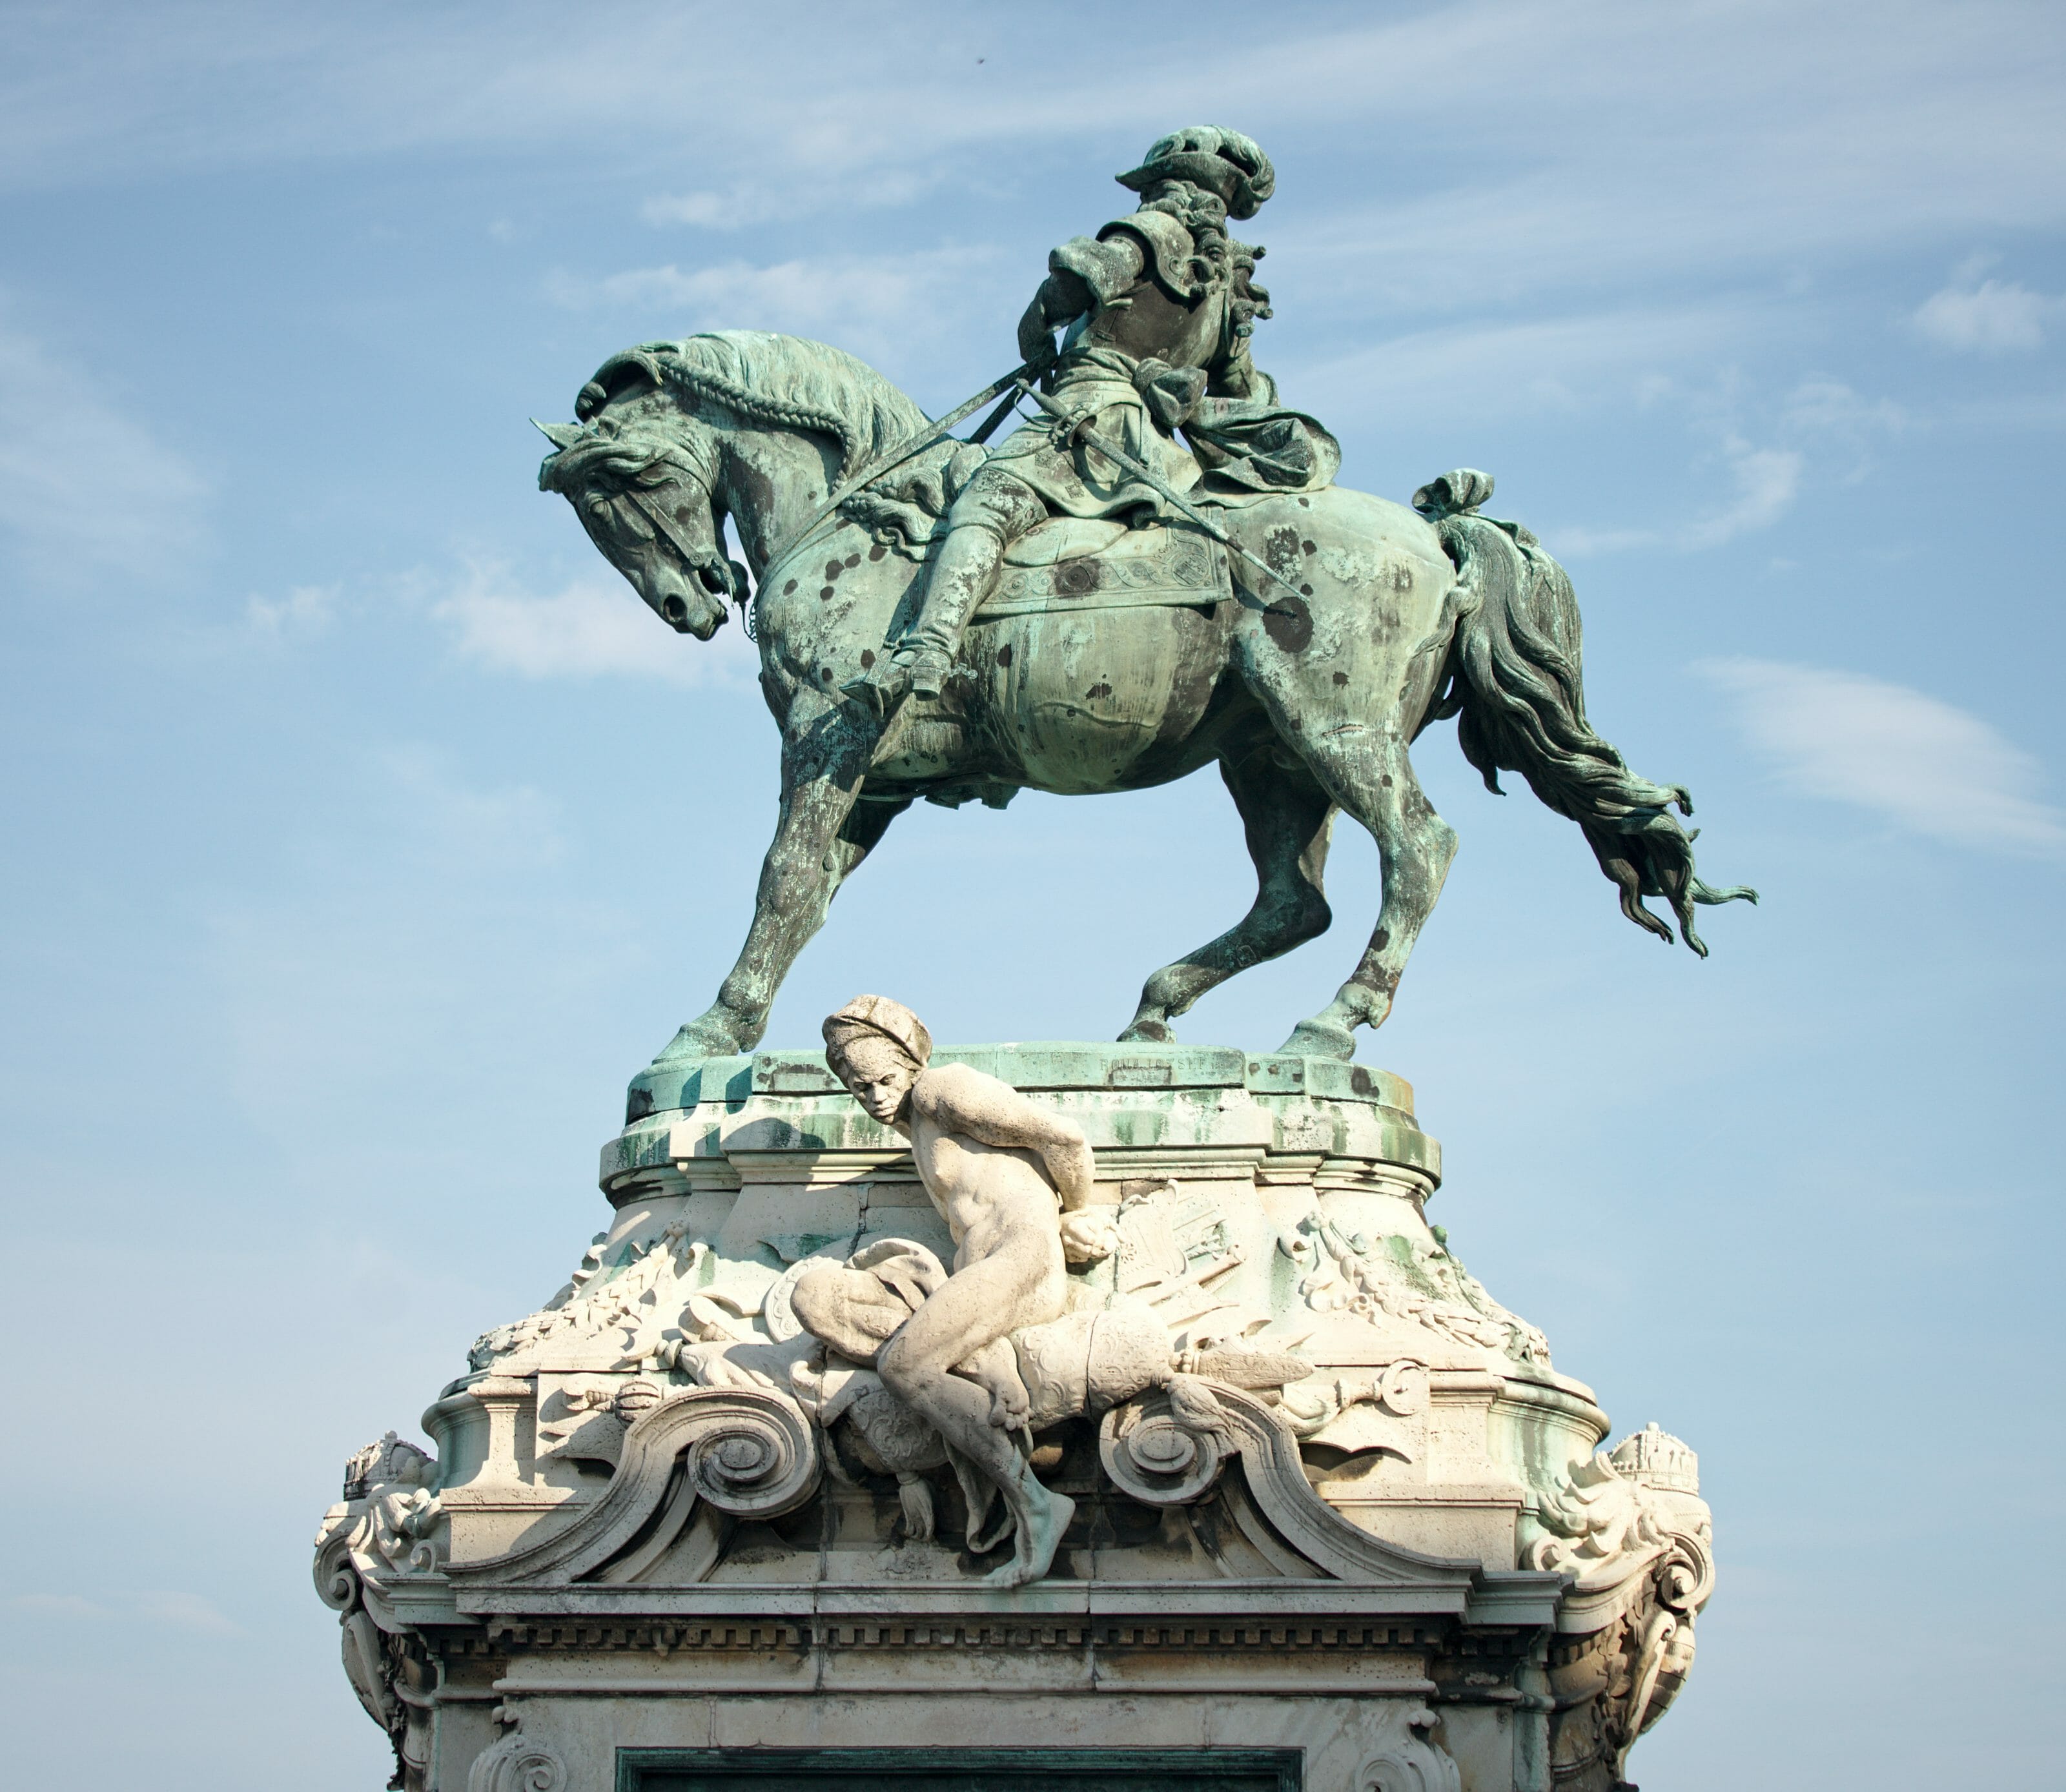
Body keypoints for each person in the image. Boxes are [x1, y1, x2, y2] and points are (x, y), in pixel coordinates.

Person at [841, 125, 1338, 721]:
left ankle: (924, 653)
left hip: (1087, 423)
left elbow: (1081, 281)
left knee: (987, 502)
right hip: (1156, 449)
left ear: (1167, 186)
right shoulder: (1229, 290)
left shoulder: (1152, 233)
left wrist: (1039, 319)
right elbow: (1241, 389)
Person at [794, 994, 1110, 1586]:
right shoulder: (916, 1128)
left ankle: (1036, 1506)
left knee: (905, 1367)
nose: (876, 1097)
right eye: (861, 1090)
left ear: (909, 1065)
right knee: (818, 1298)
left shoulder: (944, 1090)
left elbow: (1064, 1139)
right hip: (977, 1279)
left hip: (1021, 1264)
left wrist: (1075, 1215)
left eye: (885, 1079)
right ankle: (991, 1373)